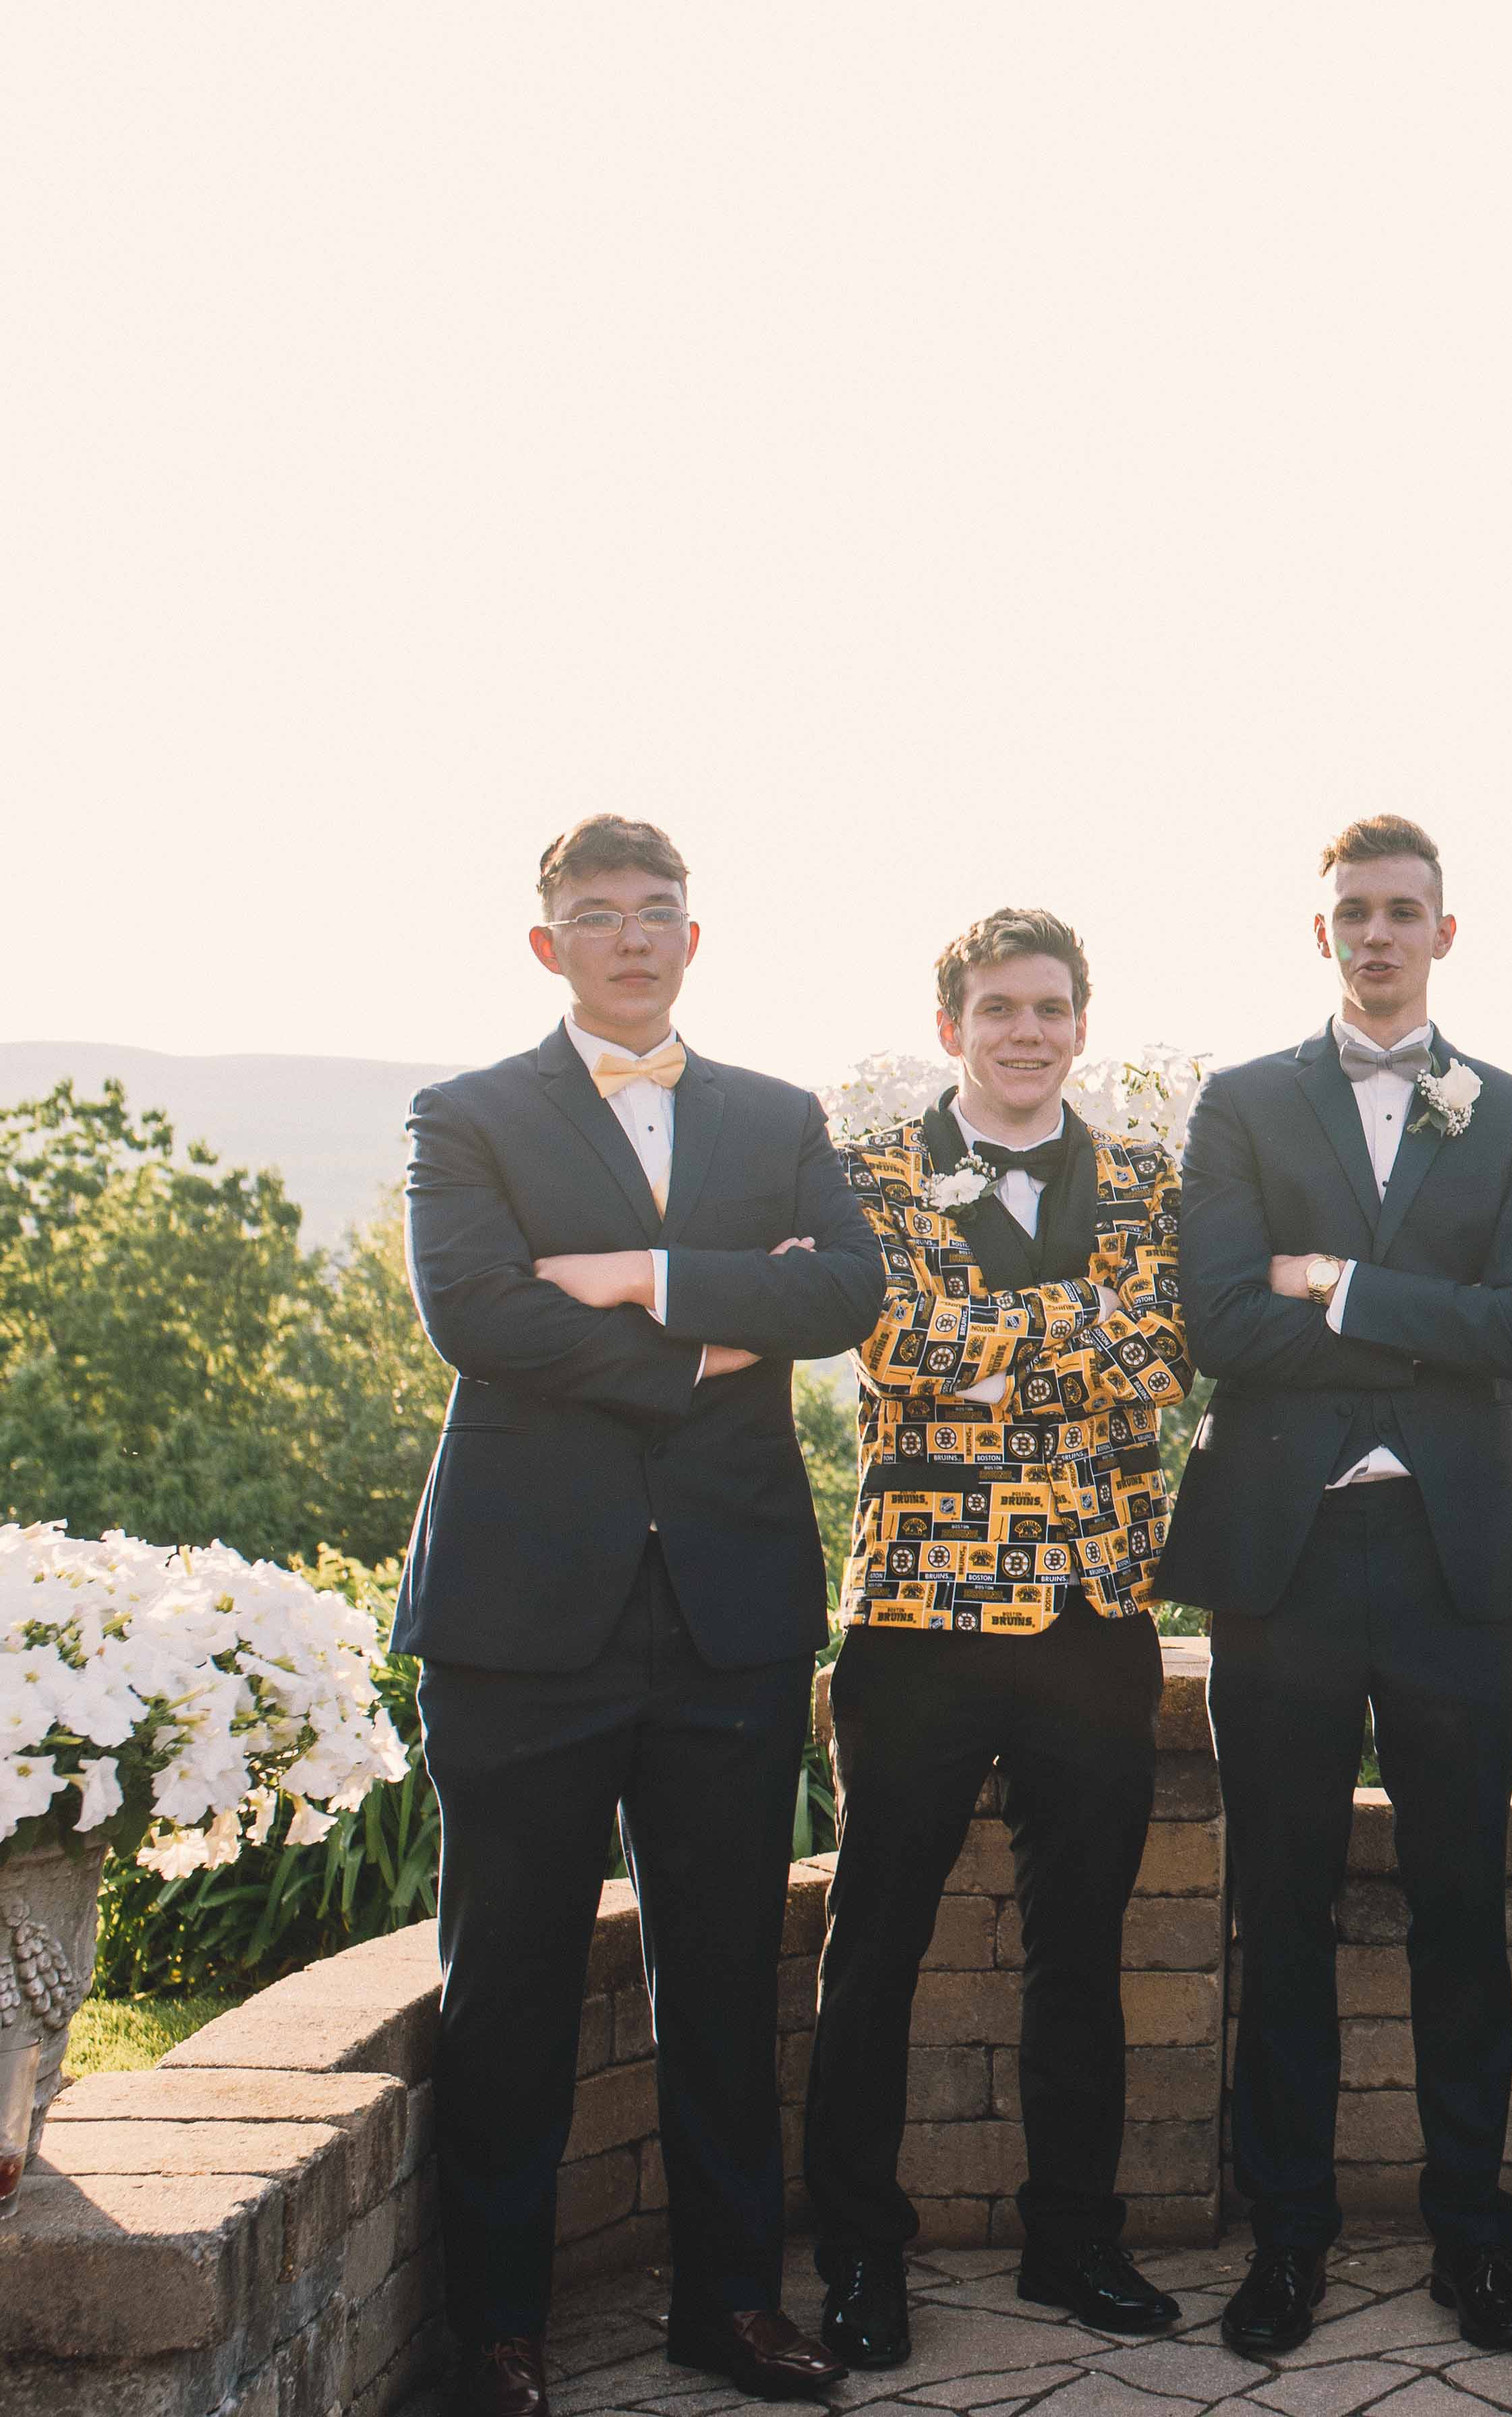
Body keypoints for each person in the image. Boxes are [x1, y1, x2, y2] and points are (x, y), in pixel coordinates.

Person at [399, 817, 885, 2417]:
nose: (629, 936)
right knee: (509, 1982)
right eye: (595, 916)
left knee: (729, 1973)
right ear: (549, 945)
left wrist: (625, 1277)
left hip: (731, 1609)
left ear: (694, 936)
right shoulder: (464, 1114)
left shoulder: (774, 1113)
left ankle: (730, 2308)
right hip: (520, 1614)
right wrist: (706, 1339)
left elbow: (842, 1295)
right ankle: (496, 2334)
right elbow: (476, 1313)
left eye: (655, 912)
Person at [1155, 816, 1512, 2358]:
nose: (1378, 935)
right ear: (1318, 932)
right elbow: (1217, 1322)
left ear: (1445, 934)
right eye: (1353, 914)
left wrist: (1330, 1284)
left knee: (1460, 1907)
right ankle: (1289, 2239)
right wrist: (1427, 1323)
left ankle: (1475, 2235)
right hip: (1284, 1563)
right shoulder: (1245, 1102)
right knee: (1282, 1908)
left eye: (1404, 912)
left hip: (1456, 1565)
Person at [801, 909, 1190, 2366]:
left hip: (1097, 1618)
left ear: (1082, 1023)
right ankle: (858, 2257)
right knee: (873, 1948)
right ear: (951, 1022)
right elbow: (902, 1346)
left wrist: (1008, 1341)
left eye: (1047, 1007)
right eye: (995, 1008)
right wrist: (1074, 1326)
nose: (1023, 1032)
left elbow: (1160, 1360)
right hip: (916, 1619)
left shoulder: (1148, 1177)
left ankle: (1072, 2240)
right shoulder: (868, 1177)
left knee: (1080, 1951)